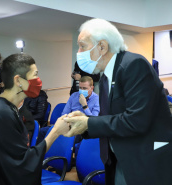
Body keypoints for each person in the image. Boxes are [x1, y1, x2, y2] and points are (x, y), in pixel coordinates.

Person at [63, 18, 172, 185]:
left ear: (102, 46)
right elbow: (110, 117)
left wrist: (88, 123)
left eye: (82, 45)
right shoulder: (106, 76)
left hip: (143, 160)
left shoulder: (134, 65)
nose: (79, 52)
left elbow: (136, 121)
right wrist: (83, 123)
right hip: (117, 157)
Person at [0, 53, 69, 185]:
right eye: (35, 75)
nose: (38, 80)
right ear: (18, 80)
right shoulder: (1, 114)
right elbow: (22, 164)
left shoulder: (8, 108)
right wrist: (56, 131)